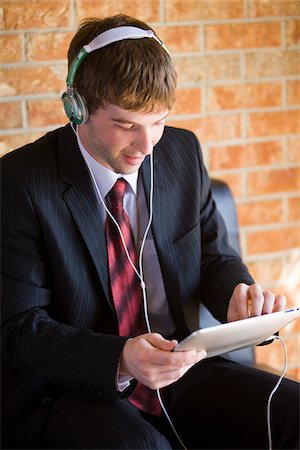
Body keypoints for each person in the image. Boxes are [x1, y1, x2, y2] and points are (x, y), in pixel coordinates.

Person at [1, 13, 299, 450]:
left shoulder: (181, 152)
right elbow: (18, 329)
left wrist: (238, 294)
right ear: (76, 106)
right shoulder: (19, 182)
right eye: (126, 125)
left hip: (176, 367)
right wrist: (120, 358)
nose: (147, 145)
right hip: (70, 387)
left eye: (157, 121)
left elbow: (214, 258)